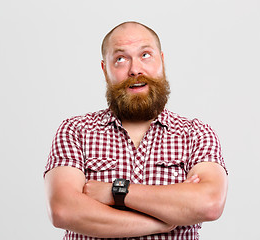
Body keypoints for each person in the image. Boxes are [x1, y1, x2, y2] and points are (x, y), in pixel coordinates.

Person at [44, 21, 228, 240]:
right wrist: (161, 222)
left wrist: (115, 191)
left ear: (162, 60)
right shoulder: (75, 131)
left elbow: (209, 204)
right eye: (120, 59)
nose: (135, 69)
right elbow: (64, 210)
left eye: (146, 55)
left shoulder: (195, 134)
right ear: (105, 70)